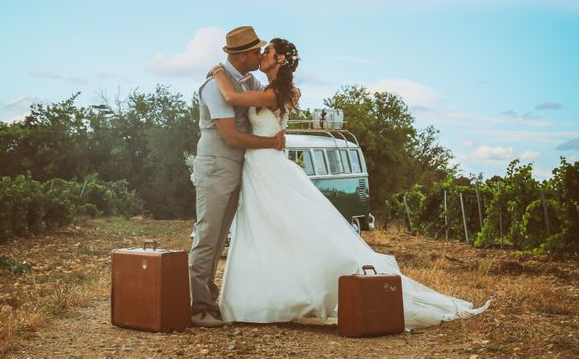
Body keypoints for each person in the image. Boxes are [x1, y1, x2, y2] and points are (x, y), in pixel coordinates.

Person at [210, 38, 491, 329]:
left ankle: (292, 291)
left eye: (267, 51)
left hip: (267, 166)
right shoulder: (271, 90)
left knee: (285, 229)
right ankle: (268, 296)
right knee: (268, 231)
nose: (262, 54)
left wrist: (219, 71)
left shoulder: (275, 94)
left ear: (280, 59)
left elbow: (231, 97)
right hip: (260, 166)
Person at [188, 25, 286, 328]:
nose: (260, 54)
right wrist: (271, 143)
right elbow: (230, 137)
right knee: (207, 236)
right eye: (257, 51)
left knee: (219, 240)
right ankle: (195, 307)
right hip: (217, 166)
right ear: (243, 56)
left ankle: (208, 299)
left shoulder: (251, 81)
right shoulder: (214, 87)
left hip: (236, 168)